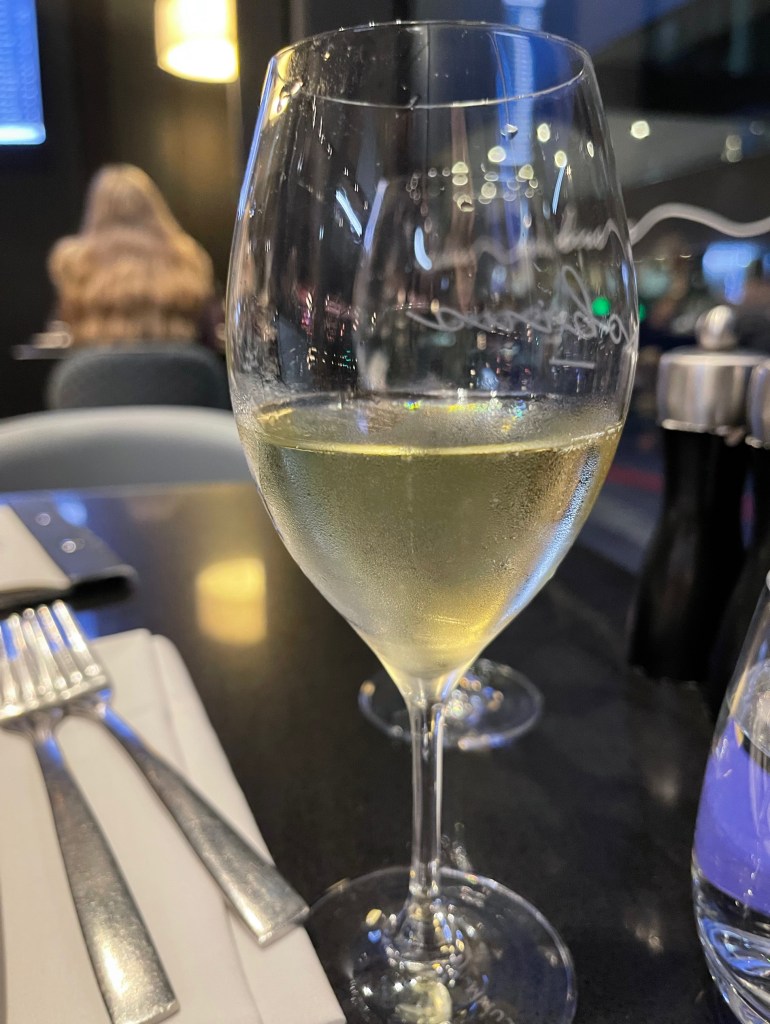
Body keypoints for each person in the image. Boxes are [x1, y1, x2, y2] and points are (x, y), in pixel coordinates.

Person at [47, 164, 216, 347]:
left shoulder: (72, 261)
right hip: (182, 364)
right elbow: (208, 330)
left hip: (96, 364)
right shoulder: (188, 256)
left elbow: (65, 326)